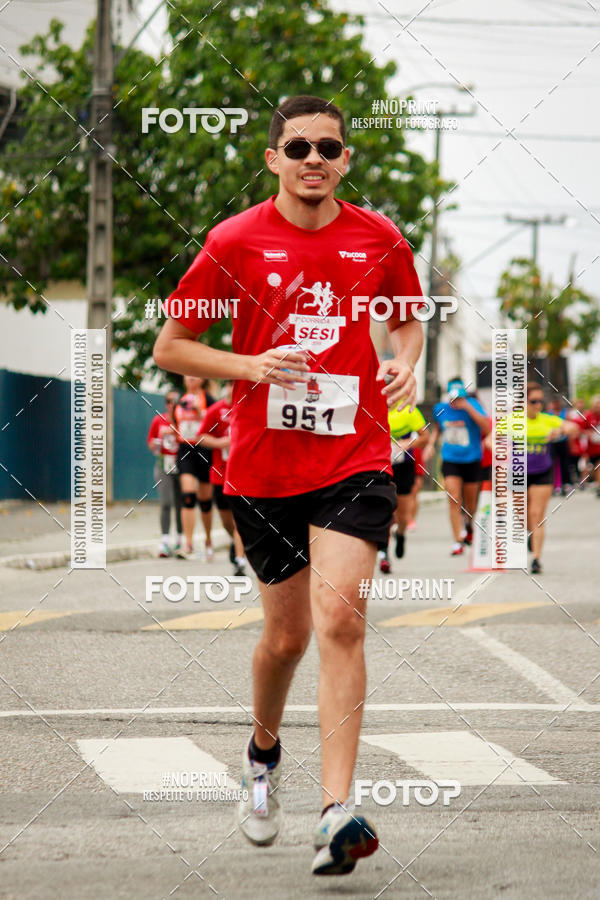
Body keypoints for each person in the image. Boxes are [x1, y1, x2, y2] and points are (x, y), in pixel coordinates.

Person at [153, 94, 424, 876]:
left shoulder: (380, 238)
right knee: (287, 637)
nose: (315, 158)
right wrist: (249, 367)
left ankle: (337, 809)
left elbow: (406, 316)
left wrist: (404, 356)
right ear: (273, 158)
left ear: (346, 160)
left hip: (355, 456)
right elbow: (174, 346)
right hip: (265, 466)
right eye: (298, 146)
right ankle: (263, 754)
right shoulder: (234, 242)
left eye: (329, 148)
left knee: (340, 620)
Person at [495, 382, 579, 574]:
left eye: (540, 401)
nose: (538, 405)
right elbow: (491, 439)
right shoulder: (512, 420)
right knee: (522, 515)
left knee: (537, 515)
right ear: (523, 402)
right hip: (517, 473)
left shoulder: (547, 420)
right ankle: (530, 534)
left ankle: (536, 559)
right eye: (533, 401)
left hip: (542, 471)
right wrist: (500, 447)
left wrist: (560, 431)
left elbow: (573, 427)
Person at [424, 377, 490, 555]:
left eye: (459, 398)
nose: (456, 402)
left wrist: (468, 407)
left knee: (471, 502)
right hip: (450, 459)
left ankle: (468, 523)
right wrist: (430, 445)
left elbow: (487, 428)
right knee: (453, 497)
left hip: (472, 459)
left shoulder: (473, 405)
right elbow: (437, 428)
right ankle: (457, 540)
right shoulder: (440, 408)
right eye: (453, 399)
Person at [196, 381, 247, 575]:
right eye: (229, 386)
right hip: (220, 474)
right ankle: (236, 544)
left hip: (243, 475)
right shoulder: (216, 410)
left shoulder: (247, 406)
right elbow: (201, 436)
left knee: (239, 520)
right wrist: (220, 442)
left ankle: (240, 562)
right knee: (227, 522)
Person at [377, 403, 428, 572]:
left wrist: (409, 442)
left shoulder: (408, 410)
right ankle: (383, 553)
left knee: (403, 512)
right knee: (383, 509)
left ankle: (401, 533)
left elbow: (425, 438)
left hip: (404, 466)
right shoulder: (374, 406)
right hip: (381, 466)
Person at [174, 375, 216, 559]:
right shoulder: (180, 400)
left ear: (202, 379)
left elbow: (218, 423)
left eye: (194, 376)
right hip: (185, 449)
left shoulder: (209, 400)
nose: (190, 379)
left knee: (205, 500)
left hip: (204, 449)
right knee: (188, 496)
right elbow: (175, 422)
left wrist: (202, 414)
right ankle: (188, 543)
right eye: (187, 376)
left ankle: (208, 540)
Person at [146, 390, 183, 557]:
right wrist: (159, 440)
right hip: (163, 465)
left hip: (181, 464)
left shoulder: (184, 420)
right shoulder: (158, 420)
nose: (171, 404)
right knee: (166, 502)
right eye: (168, 401)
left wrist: (175, 432)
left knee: (181, 503)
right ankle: (165, 540)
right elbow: (151, 444)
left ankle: (181, 540)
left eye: (175, 401)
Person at [584, 395, 600, 496]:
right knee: (595, 468)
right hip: (591, 449)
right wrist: (588, 433)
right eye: (596, 404)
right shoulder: (587, 416)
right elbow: (580, 430)